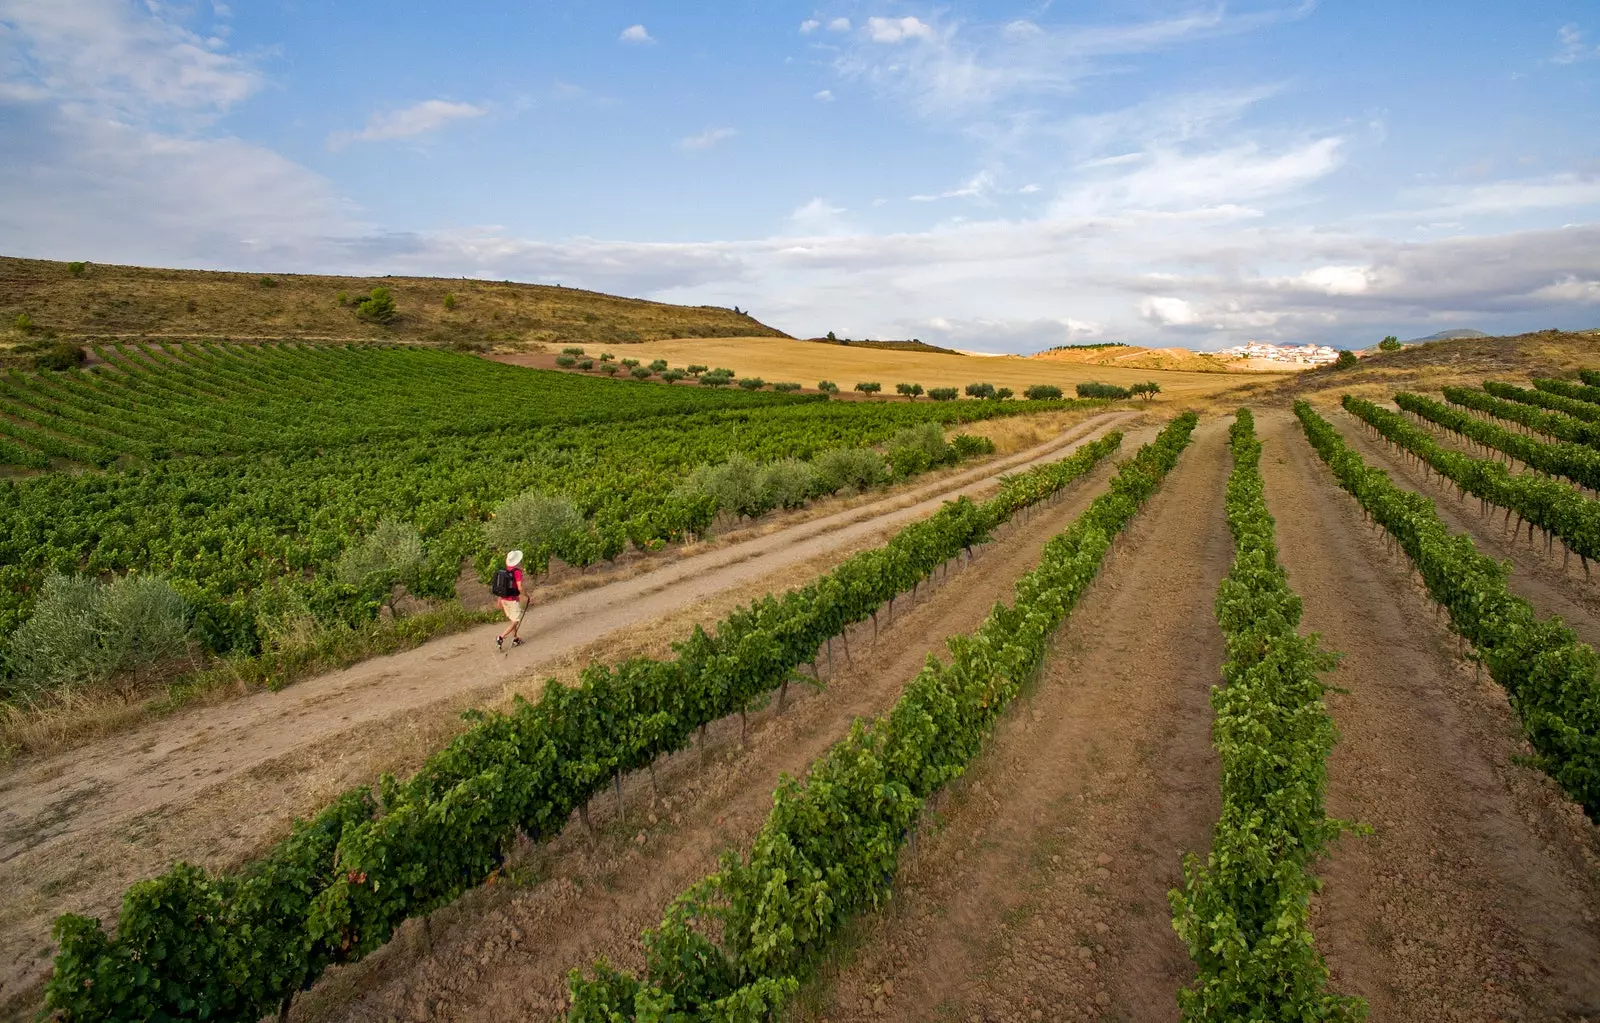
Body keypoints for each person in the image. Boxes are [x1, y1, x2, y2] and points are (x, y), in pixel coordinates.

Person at [496, 549, 527, 650]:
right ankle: (501, 637)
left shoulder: (506, 570)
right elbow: (519, 587)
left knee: (511, 619)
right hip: (512, 599)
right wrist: (525, 595)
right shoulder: (517, 572)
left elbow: (503, 586)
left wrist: (500, 599)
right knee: (516, 620)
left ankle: (516, 638)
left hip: (504, 599)